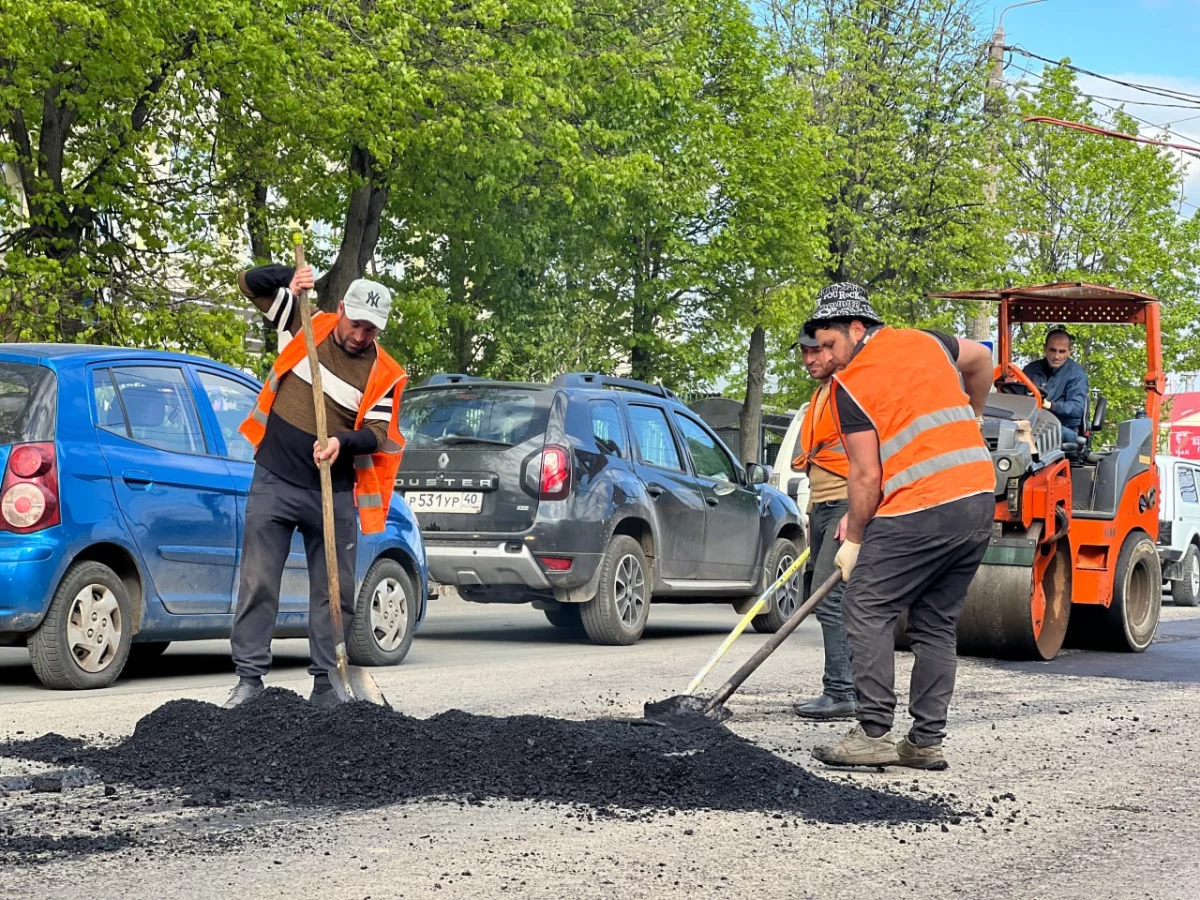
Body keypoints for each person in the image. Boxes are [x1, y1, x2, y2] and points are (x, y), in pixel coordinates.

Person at [802, 282, 995, 770]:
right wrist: (974, 412)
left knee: (865, 605)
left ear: (859, 328)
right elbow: (981, 363)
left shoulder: (851, 386)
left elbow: (865, 475)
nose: (826, 355)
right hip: (975, 499)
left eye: (831, 344)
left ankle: (872, 732)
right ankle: (925, 741)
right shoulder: (929, 341)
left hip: (920, 507)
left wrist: (857, 540)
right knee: (934, 621)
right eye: (818, 345)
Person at [223, 262, 408, 709]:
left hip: (332, 489)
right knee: (258, 581)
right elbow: (249, 284)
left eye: (371, 329)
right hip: (274, 479)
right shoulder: (305, 321)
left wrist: (341, 442)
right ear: (341, 308)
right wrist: (290, 275)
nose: (361, 335)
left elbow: (379, 435)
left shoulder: (384, 372)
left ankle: (327, 686)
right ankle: (249, 681)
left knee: (334, 591)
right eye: (357, 323)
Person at [789, 331, 856, 720]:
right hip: (825, 505)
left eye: (816, 351)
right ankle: (847, 689)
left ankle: (842, 692)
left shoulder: (850, 392)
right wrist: (814, 509)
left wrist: (854, 513)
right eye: (805, 352)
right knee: (834, 598)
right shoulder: (820, 396)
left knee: (829, 598)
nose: (810, 359)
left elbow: (870, 457)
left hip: (847, 504)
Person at [1020, 327, 1089, 442]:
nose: (1056, 356)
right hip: (1031, 422)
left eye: (1062, 351)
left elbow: (1077, 408)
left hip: (1064, 427)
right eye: (1052, 350)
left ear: (1070, 350)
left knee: (1040, 434)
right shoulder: (1031, 370)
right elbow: (1018, 394)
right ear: (1045, 348)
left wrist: (1050, 405)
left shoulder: (1077, 375)